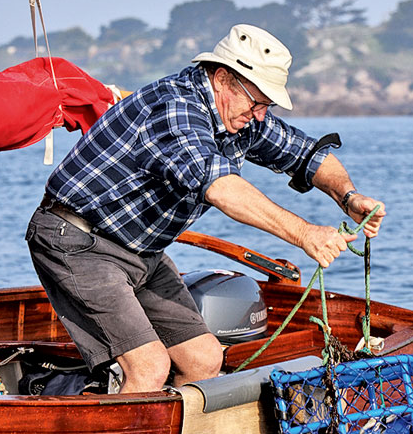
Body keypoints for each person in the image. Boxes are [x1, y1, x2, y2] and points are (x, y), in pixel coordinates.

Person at [26, 24, 385, 393]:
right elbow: (221, 188)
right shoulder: (176, 109)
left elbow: (307, 155)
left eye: (267, 105)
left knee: (203, 359)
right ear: (224, 78)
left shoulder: (240, 115)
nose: (260, 115)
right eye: (256, 102)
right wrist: (305, 234)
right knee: (148, 367)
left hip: (140, 250)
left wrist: (348, 197)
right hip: (76, 241)